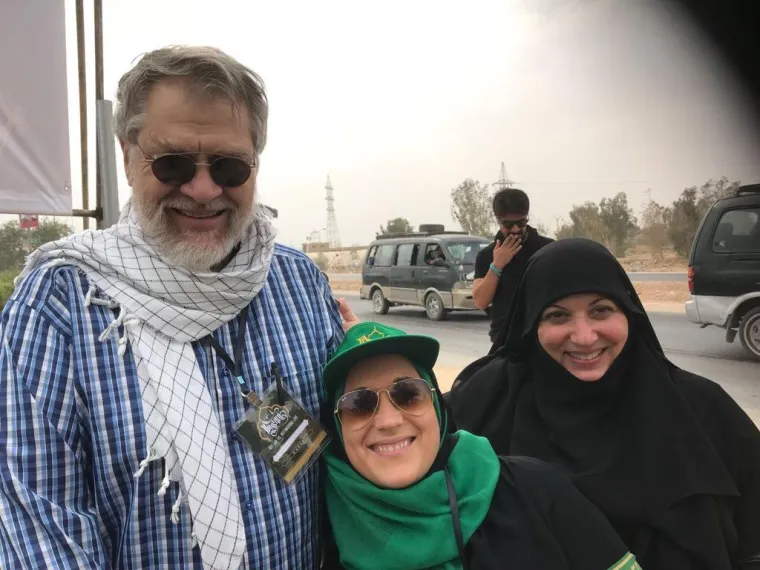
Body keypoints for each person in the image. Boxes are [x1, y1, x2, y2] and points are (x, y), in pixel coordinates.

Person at [0, 46, 358, 570]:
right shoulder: (58, 306)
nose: (203, 189)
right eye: (173, 163)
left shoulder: (298, 282)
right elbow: (42, 533)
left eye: (230, 166)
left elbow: (348, 466)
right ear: (127, 156)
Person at [450, 238, 760, 569]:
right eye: (557, 315)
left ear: (628, 313)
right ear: (531, 325)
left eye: (601, 310)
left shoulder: (703, 410)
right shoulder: (490, 401)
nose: (584, 337)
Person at [319, 321, 642, 570]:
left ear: (437, 408)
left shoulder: (533, 490)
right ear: (337, 427)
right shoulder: (321, 535)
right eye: (358, 404)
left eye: (408, 393)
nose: (389, 421)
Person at [472, 188, 553, 345]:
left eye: (521, 223)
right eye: (508, 224)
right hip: (505, 340)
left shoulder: (548, 249)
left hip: (544, 336)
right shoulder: (487, 255)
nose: (515, 229)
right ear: (498, 220)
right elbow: (481, 302)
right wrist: (497, 265)